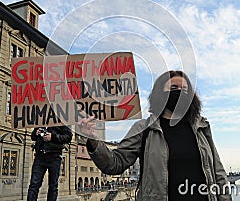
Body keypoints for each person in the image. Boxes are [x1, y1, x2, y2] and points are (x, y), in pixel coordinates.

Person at [79, 70, 231, 200]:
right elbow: (115, 164)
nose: (179, 92)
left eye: (185, 90)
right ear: (161, 93)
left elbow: (218, 172)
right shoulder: (144, 128)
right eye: (173, 87)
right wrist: (93, 139)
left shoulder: (201, 127)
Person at [27, 125, 73, 201]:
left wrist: (53, 137)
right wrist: (36, 133)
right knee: (34, 184)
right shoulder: (41, 119)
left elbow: (68, 137)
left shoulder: (61, 119)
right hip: (40, 156)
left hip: (54, 156)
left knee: (53, 186)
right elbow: (33, 137)